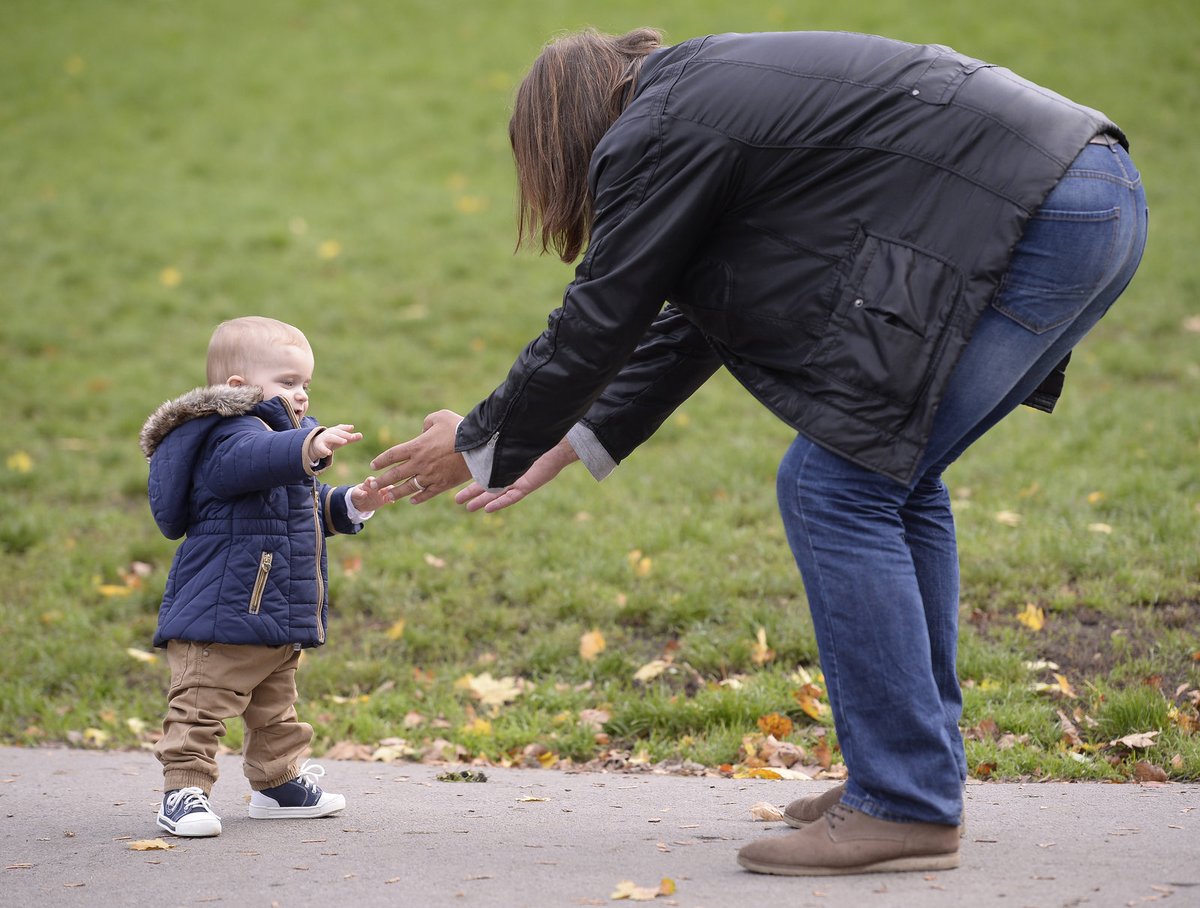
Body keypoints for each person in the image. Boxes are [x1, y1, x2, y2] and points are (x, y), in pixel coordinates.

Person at [372, 29, 1148, 875]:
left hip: (1041, 212)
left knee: (834, 487)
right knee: (888, 477)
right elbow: (686, 322)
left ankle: (905, 802)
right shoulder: (702, 102)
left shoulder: (658, 130)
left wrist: (480, 438)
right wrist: (565, 440)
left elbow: (599, 314)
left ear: (562, 131)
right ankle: (913, 778)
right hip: (1088, 193)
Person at [139, 316, 393, 837]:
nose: (300, 395)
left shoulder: (280, 443)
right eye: (287, 382)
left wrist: (350, 503)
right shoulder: (224, 439)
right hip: (220, 613)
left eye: (305, 384)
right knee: (201, 705)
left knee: (276, 710)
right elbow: (252, 463)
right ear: (238, 388)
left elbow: (296, 511)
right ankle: (183, 790)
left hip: (272, 612)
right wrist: (307, 446)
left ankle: (278, 785)